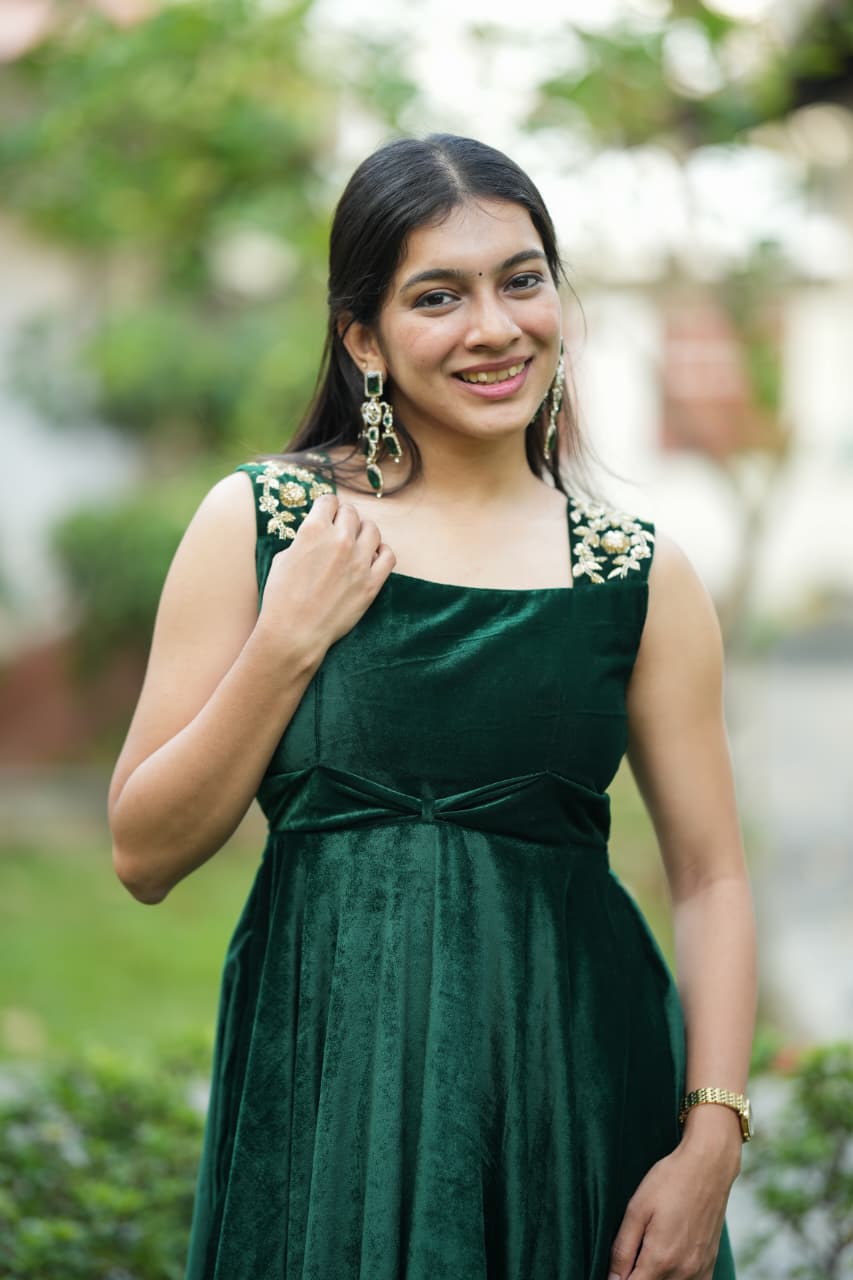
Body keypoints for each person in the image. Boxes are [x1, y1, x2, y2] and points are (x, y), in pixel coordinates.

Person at [107, 133, 757, 1280]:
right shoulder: (264, 523)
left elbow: (711, 875)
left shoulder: (637, 573)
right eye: (437, 296)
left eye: (521, 279)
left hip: (572, 1085)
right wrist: (287, 639)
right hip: (324, 1092)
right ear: (363, 338)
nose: (494, 327)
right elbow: (143, 852)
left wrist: (710, 1139)